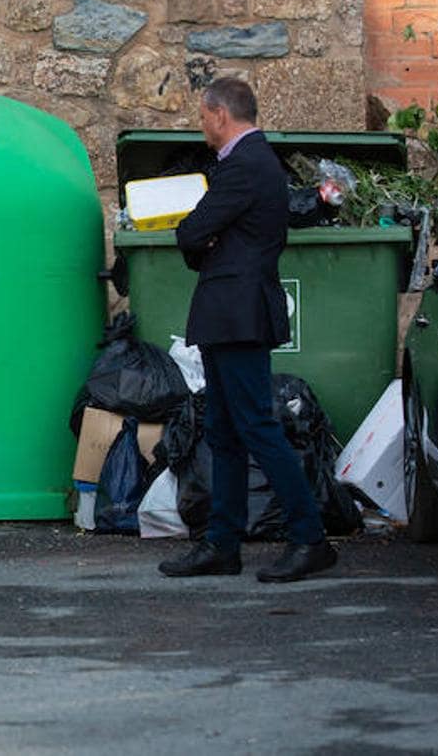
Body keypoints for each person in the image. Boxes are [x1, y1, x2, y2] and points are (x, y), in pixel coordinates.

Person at [158, 77, 337, 584]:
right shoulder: (254, 164)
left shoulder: (245, 165)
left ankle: (309, 538)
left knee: (255, 426)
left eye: (202, 116)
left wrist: (205, 242)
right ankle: (222, 542)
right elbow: (202, 236)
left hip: (238, 315)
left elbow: (191, 231)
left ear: (219, 114)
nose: (201, 126)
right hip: (230, 313)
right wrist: (207, 243)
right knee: (225, 431)